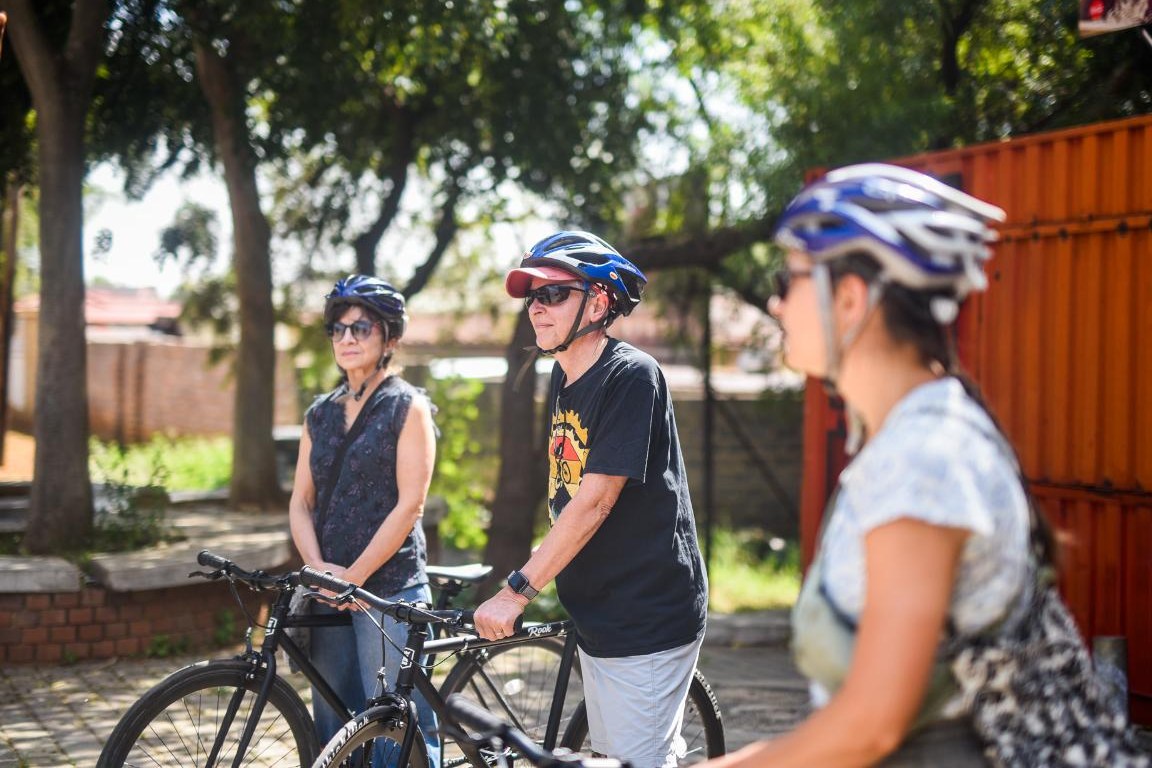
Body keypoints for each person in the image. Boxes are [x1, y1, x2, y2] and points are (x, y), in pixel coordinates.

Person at [705, 163, 1132, 767]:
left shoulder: (924, 458)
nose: (776, 301)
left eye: (790, 278)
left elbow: (874, 724)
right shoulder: (912, 437)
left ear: (849, 298)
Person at [473, 231, 709, 768]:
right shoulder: (564, 375)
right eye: (533, 295)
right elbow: (567, 494)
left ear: (599, 301)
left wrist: (517, 591)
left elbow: (595, 501)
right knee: (617, 753)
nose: (537, 307)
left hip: (645, 613)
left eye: (554, 293)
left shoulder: (631, 375)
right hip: (598, 610)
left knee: (633, 760)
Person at [288, 274, 440, 766]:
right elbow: (300, 501)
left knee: (400, 730)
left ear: (389, 338)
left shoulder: (407, 407)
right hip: (329, 592)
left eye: (362, 328)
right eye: (338, 329)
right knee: (335, 731)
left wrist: (355, 580)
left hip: (388, 593)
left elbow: (410, 505)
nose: (347, 338)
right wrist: (317, 570)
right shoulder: (319, 414)